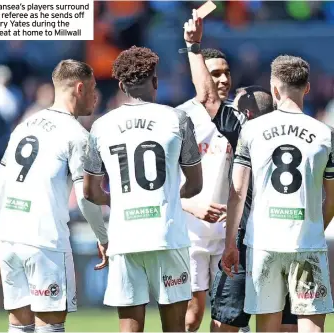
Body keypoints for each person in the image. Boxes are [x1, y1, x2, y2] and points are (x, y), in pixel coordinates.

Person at [183, 10, 298, 332]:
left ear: (243, 113)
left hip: (247, 238)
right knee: (285, 322)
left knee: (226, 321)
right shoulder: (314, 133)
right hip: (290, 238)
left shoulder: (246, 131)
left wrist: (193, 46)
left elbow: (207, 99)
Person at [83, 46, 203, 333]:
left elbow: (89, 192)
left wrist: (119, 200)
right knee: (174, 328)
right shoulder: (177, 119)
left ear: (122, 86)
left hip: (125, 236)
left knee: (129, 328)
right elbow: (196, 184)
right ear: (156, 81)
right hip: (167, 235)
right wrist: (170, 196)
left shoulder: (101, 126)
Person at [0, 59, 108, 333]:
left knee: (18, 326)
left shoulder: (25, 126)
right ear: (79, 88)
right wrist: (103, 237)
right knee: (49, 327)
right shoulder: (77, 135)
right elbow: (85, 195)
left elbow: (1, 183)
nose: (96, 96)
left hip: (11, 240)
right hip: (45, 242)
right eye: (93, 88)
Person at [222, 54, 334, 333]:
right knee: (311, 327)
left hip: (263, 244)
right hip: (306, 243)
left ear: (273, 88)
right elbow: (332, 198)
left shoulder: (252, 130)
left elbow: (237, 192)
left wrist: (230, 244)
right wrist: (315, 229)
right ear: (307, 88)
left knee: (267, 328)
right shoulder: (325, 134)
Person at [177, 46, 232, 332]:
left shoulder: (238, 118)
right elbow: (162, 182)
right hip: (190, 234)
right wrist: (191, 205)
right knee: (191, 317)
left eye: (226, 73)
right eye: (215, 74)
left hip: (228, 236)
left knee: (226, 318)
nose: (222, 80)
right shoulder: (180, 117)